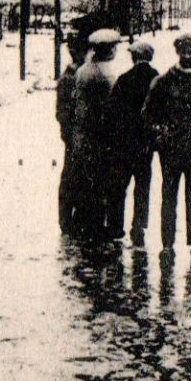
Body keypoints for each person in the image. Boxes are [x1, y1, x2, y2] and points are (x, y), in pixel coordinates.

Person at [143, 32, 191, 259]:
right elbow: (147, 115)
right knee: (169, 198)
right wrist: (160, 137)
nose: (189, 54)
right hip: (171, 154)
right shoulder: (164, 82)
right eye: (185, 49)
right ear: (177, 51)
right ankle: (167, 246)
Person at [69, 29, 123, 239]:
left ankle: (81, 223)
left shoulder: (83, 70)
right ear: (107, 50)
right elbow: (111, 108)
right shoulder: (106, 74)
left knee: (85, 180)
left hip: (82, 134)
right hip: (99, 136)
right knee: (99, 182)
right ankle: (95, 228)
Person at [109, 39, 159, 246]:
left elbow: (112, 110)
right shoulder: (157, 79)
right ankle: (138, 227)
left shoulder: (124, 79)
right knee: (142, 186)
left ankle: (115, 225)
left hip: (124, 142)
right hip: (145, 143)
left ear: (135, 57)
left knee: (120, 185)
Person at [55, 34, 89, 233]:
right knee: (72, 176)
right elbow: (62, 111)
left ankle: (74, 218)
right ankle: (67, 220)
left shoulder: (75, 74)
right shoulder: (70, 77)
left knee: (78, 175)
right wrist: (68, 132)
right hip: (75, 134)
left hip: (77, 134)